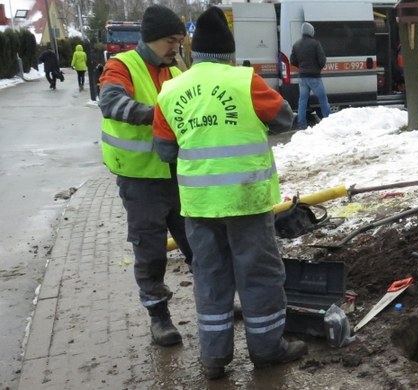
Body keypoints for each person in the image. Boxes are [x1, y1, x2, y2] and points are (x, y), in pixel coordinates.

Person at [152, 6, 302, 380]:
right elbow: (284, 119)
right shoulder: (243, 81)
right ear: (228, 52)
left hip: (199, 206)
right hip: (246, 200)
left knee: (211, 276)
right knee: (259, 274)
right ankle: (268, 350)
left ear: (195, 51)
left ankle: (214, 358)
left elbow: (165, 151)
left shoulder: (170, 90)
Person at [98, 4, 192, 348]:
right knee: (151, 252)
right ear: (151, 39)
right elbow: (111, 103)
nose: (176, 48)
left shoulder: (175, 73)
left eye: (179, 41)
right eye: (171, 41)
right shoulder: (121, 66)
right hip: (140, 181)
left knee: (200, 245)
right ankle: (159, 317)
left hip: (178, 175)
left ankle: (217, 302)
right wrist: (159, 116)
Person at [289, 22, 331, 130]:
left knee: (302, 101)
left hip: (303, 77)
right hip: (314, 77)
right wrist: (317, 68)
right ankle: (329, 121)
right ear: (311, 31)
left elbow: (292, 60)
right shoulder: (315, 43)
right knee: (322, 99)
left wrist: (301, 67)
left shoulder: (296, 44)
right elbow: (322, 60)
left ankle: (302, 124)